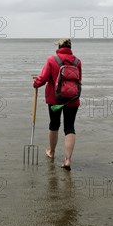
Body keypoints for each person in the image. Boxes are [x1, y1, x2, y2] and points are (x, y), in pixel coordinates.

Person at [33, 38, 82, 170]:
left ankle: (52, 152)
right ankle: (68, 160)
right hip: (72, 100)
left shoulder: (52, 60)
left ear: (59, 46)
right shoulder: (77, 61)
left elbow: (42, 79)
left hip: (55, 100)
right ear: (70, 47)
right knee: (69, 127)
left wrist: (35, 83)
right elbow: (79, 81)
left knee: (54, 125)